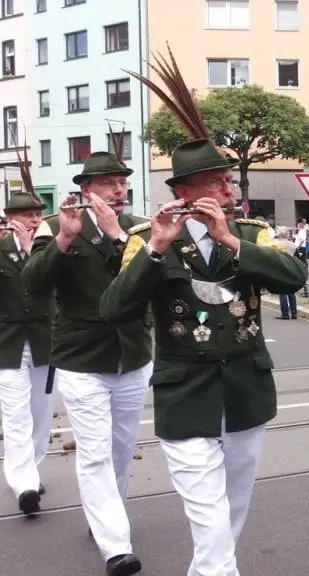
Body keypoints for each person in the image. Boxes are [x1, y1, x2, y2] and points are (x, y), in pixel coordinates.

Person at [99, 137, 307, 576]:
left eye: (229, 182)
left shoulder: (249, 233)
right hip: (186, 396)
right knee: (209, 519)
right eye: (218, 183)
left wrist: (230, 240)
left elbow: (293, 279)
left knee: (231, 510)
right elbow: (115, 309)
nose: (229, 192)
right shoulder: (149, 241)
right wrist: (156, 249)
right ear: (185, 193)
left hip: (246, 392)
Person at [23, 152, 152, 576]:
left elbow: (151, 278)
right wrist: (62, 240)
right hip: (82, 358)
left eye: (122, 182)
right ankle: (116, 545)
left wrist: (118, 236)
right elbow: (34, 283)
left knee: (120, 449)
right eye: (109, 183)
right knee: (95, 451)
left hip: (131, 354)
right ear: (86, 190)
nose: (118, 190)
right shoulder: (57, 227)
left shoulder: (136, 227)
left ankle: (104, 521)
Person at [0, 190, 54, 517]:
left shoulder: (50, 250)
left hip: (44, 342)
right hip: (8, 344)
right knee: (16, 415)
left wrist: (32, 251)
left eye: (37, 215)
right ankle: (25, 485)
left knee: (41, 413)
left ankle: (31, 468)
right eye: (27, 215)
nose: (34, 221)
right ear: (10, 219)